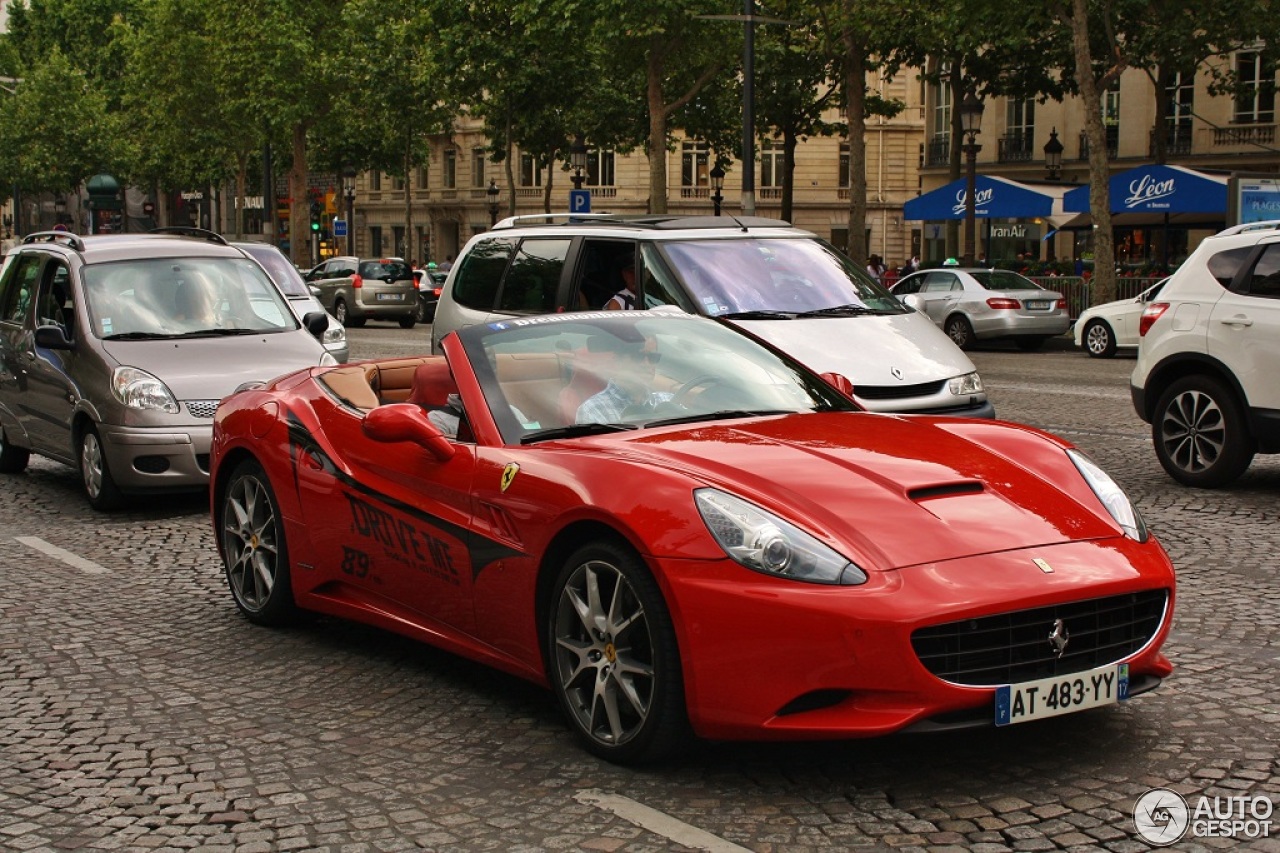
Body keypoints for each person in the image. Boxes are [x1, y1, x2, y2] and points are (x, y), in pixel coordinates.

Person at [575, 335, 673, 423]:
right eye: (638, 356)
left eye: (653, 357)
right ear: (618, 361)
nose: (646, 364)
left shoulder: (669, 401)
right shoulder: (594, 410)